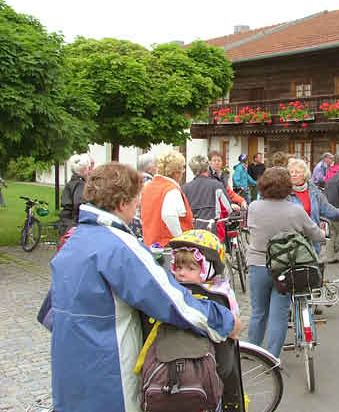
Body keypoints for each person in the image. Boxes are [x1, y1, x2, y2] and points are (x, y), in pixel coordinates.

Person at [50, 162, 239, 412]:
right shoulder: (118, 246)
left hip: (69, 370)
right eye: (135, 200)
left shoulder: (75, 239)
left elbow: (50, 312)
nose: (138, 205)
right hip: (109, 374)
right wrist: (224, 321)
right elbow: (172, 302)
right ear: (122, 203)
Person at [246, 168, 325, 357]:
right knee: (279, 314)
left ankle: (252, 351)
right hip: (285, 267)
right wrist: (323, 235)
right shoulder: (295, 210)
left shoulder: (254, 207)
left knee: (258, 311)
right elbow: (315, 233)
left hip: (258, 264)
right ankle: (272, 357)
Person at [167, 229, 241, 409]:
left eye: (190, 268)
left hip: (203, 369)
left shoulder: (218, 295)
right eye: (179, 267)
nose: (182, 273)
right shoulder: (176, 292)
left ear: (208, 269)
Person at [287, 158, 339, 256]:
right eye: (291, 172)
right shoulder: (285, 193)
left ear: (304, 174)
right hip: (293, 242)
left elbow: (326, 209)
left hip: (312, 241)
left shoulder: (313, 191)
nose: (293, 174)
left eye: (297, 172)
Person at [141, 149, 194, 247]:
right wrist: (182, 240)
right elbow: (169, 215)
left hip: (150, 244)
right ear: (176, 172)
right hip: (168, 247)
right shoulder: (171, 189)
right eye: (182, 170)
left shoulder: (148, 187)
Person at [182, 155, 233, 241]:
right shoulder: (216, 185)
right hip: (212, 231)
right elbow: (228, 209)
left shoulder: (184, 188)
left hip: (191, 233)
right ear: (207, 168)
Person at [57, 153, 93, 236]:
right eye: (88, 169)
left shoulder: (71, 183)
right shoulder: (80, 185)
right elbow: (80, 207)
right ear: (84, 170)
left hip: (67, 224)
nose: (90, 172)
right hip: (75, 227)